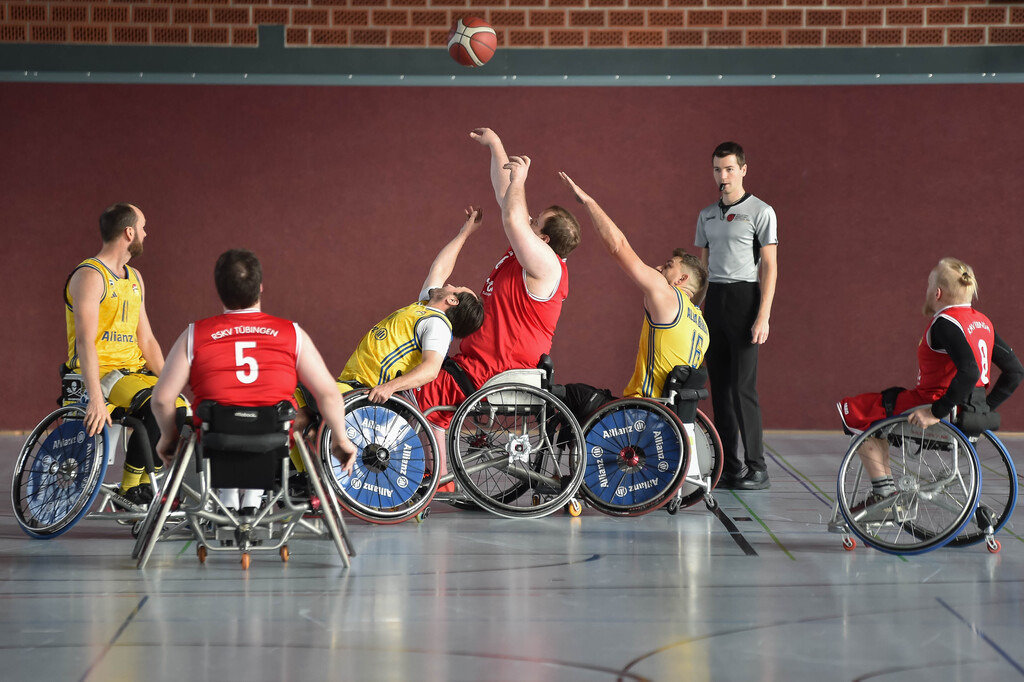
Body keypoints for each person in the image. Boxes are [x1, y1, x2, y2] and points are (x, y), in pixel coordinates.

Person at [151, 249, 357, 516]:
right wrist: (340, 439)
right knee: (276, 424)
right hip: (274, 439)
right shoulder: (291, 334)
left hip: (216, 440)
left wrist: (169, 439)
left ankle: (228, 500)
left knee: (225, 428)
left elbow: (162, 400)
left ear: (219, 290)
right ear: (260, 287)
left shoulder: (195, 334)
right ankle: (252, 500)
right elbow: (329, 395)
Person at [415, 129, 582, 427]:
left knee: (418, 392)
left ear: (543, 239)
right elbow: (508, 200)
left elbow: (512, 217)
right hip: (479, 363)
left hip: (496, 369)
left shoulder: (548, 266)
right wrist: (496, 145)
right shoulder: (530, 253)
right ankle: (439, 472)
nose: (530, 218)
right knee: (424, 388)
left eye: (537, 220)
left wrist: (521, 180)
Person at [837, 258, 1023, 507]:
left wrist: (936, 411)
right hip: (968, 411)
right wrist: (984, 408)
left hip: (936, 403)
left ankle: (883, 495)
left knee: (855, 411)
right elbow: (1015, 372)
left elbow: (969, 371)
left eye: (928, 286)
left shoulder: (945, 323)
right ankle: (885, 490)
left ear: (937, 293)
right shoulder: (983, 323)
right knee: (882, 407)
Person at [557, 172, 710, 422]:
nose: (659, 269)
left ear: (682, 280)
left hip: (640, 413)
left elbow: (618, 246)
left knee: (567, 395)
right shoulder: (702, 328)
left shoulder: (669, 296)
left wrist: (588, 202)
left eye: (669, 265)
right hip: (669, 418)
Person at [64, 202, 186, 507]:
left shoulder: (134, 278)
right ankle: (131, 488)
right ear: (129, 232)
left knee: (179, 408)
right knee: (156, 403)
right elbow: (85, 342)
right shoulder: (90, 276)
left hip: (133, 373)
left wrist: (172, 383)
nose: (147, 232)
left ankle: (146, 486)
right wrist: (94, 398)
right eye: (143, 227)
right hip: (102, 374)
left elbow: (146, 339)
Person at [336, 206, 485, 404]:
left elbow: (431, 370)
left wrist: (390, 387)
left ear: (452, 300)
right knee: (298, 407)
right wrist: (465, 232)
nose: (449, 283)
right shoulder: (425, 307)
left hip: (369, 391)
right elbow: (440, 269)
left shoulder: (437, 326)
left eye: (456, 287)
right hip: (351, 383)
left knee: (301, 411)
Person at [695, 142, 778, 490]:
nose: (723, 176)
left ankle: (757, 467)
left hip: (745, 300)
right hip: (714, 301)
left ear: (743, 169)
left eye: (729, 169)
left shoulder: (761, 212)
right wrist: (693, 310)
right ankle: (730, 467)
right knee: (721, 390)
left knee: (744, 388)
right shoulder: (706, 215)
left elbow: (770, 268)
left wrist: (764, 316)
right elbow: (700, 269)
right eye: (717, 169)